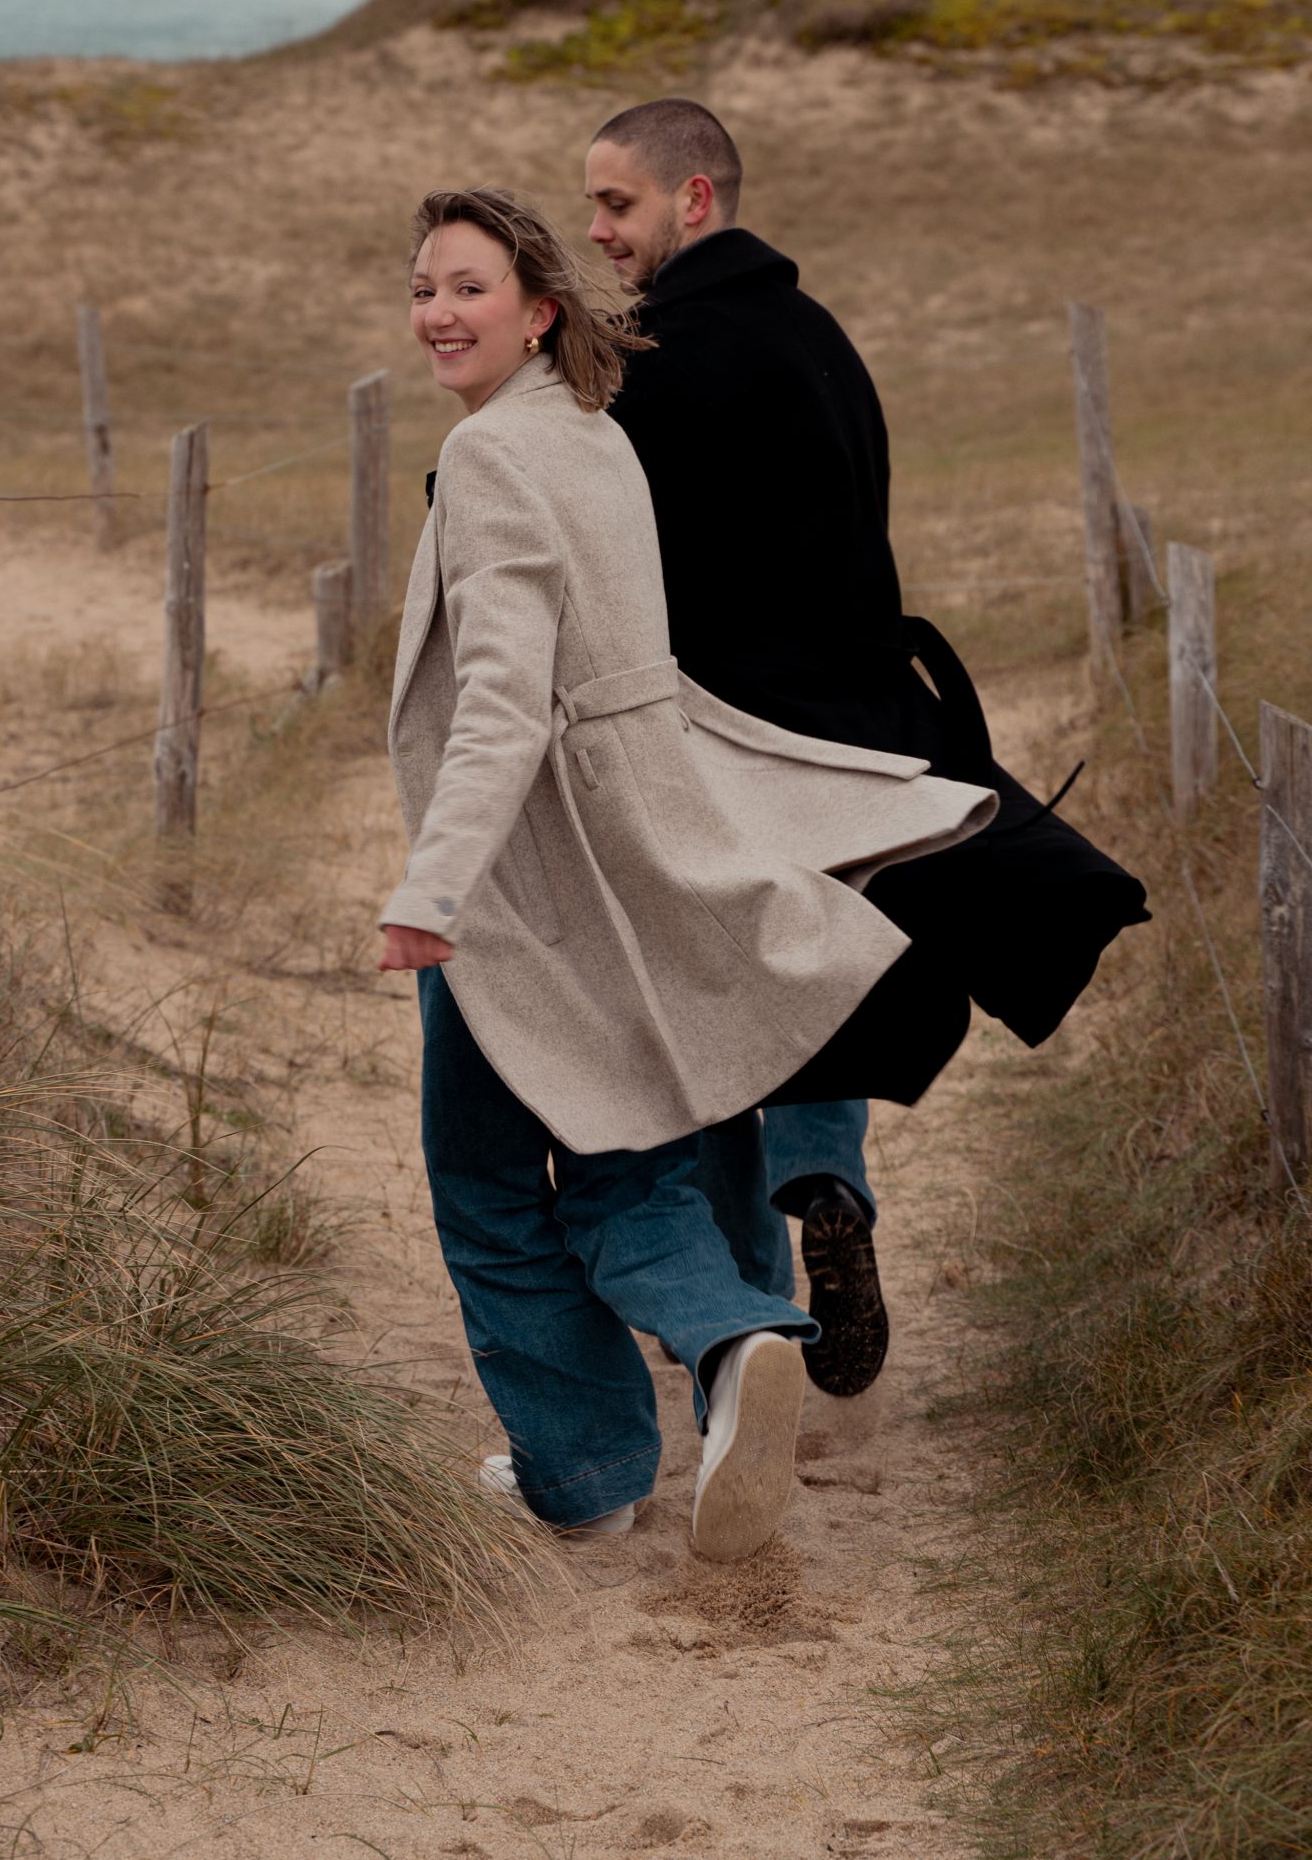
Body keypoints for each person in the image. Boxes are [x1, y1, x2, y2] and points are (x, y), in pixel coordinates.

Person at [376, 186, 995, 1556]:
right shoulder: (589, 434)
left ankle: (590, 1476)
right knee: (622, 1174)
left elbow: (502, 702)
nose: (436, 313)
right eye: (422, 289)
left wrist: (431, 890)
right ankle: (736, 1345)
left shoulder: (493, 459)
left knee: (485, 1189)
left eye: (467, 288)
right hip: (637, 859)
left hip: (523, 888)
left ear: (539, 309)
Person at [586, 97, 1150, 1395]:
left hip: (736, 735)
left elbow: (587, 532)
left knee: (732, 995)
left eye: (617, 203)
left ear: (695, 199)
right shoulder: (815, 332)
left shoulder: (669, 354)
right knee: (831, 964)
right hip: (862, 720)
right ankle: (825, 1179)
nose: (601, 230)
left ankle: (751, 1321)